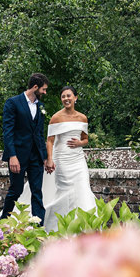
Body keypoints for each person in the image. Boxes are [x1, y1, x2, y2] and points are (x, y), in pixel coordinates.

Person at [43, 85, 96, 232]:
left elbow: (85, 139)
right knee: (66, 192)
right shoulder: (56, 117)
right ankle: (58, 227)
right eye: (63, 96)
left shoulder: (82, 118)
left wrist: (80, 143)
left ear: (75, 97)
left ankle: (86, 228)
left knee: (83, 189)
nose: (66, 99)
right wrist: (49, 159)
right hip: (62, 159)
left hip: (78, 160)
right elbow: (50, 141)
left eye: (69, 96)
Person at [0, 73, 51, 223]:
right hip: (18, 156)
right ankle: (3, 222)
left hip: (36, 156)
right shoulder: (13, 103)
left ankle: (38, 228)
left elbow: (39, 134)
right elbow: (8, 132)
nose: (45, 93)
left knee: (37, 192)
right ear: (35, 87)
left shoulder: (40, 106)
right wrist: (12, 156)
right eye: (44, 89)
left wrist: (46, 158)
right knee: (16, 190)